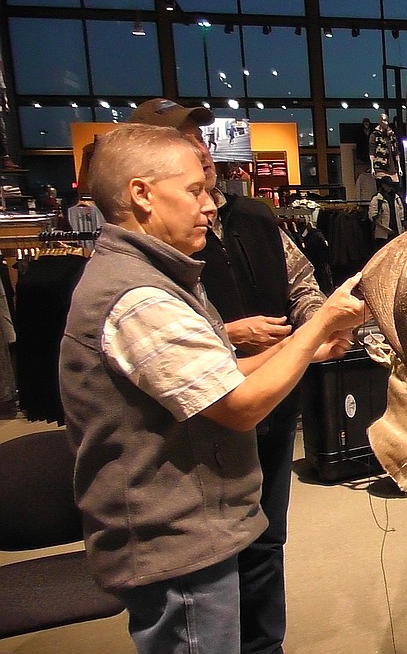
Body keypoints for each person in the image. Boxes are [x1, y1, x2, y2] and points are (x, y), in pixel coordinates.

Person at [59, 123, 366, 654]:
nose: (209, 205)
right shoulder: (137, 297)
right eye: (194, 191)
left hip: (201, 526)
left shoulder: (162, 277)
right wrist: (317, 325)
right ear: (142, 195)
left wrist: (306, 349)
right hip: (177, 541)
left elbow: (218, 373)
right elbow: (238, 405)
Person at [130, 97, 327, 653]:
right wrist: (230, 336)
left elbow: (302, 281)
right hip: (206, 425)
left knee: (267, 539)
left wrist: (318, 328)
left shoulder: (255, 216)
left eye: (199, 134)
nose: (200, 147)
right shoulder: (153, 254)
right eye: (182, 139)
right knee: (211, 562)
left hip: (274, 402)